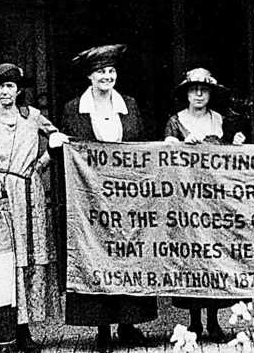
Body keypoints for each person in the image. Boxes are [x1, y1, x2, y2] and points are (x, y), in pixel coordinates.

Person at [60, 44, 157, 351]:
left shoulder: (129, 104)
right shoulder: (73, 108)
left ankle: (128, 324)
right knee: (95, 254)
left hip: (126, 199)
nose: (107, 76)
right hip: (91, 200)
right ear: (90, 76)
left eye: (111, 71)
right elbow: (71, 151)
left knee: (127, 254)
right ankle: (101, 327)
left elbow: (140, 146)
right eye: (100, 71)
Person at [0, 63, 69, 352]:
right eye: (0, 86)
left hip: (29, 194)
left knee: (28, 260)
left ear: (18, 90)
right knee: (3, 264)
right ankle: (6, 331)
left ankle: (25, 330)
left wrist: (39, 166)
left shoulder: (33, 117)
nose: (5, 92)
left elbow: (58, 141)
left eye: (10, 86)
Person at [165, 68, 246, 342]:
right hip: (187, 205)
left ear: (210, 94)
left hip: (215, 204)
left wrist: (234, 145)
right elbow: (165, 154)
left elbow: (228, 162)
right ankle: (194, 322)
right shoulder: (175, 122)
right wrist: (179, 145)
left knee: (214, 259)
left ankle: (213, 321)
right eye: (193, 89)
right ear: (186, 94)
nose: (199, 94)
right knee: (191, 260)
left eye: (204, 89)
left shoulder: (220, 120)